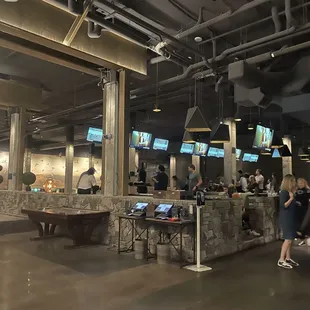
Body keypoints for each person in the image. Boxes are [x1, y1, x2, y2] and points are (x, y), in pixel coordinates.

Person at [278, 174, 299, 269]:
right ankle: (281, 260)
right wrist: (291, 199)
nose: (295, 183)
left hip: (291, 217)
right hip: (286, 218)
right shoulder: (283, 192)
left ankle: (288, 258)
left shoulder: (290, 192)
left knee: (290, 239)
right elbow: (283, 205)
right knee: (288, 239)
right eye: (293, 181)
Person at [295, 178, 310, 245]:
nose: (299, 184)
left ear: (304, 183)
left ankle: (304, 237)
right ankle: (301, 237)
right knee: (299, 221)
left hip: (305, 209)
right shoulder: (296, 190)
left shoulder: (307, 190)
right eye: (298, 183)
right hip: (298, 209)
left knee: (305, 222)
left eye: (301, 183)